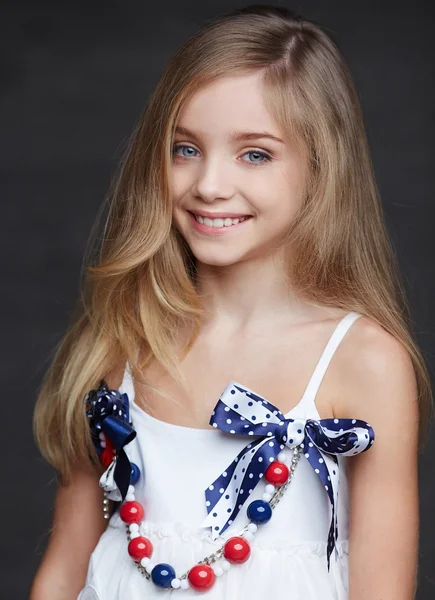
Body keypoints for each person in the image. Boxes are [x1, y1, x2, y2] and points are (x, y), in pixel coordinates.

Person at [30, 5, 430, 600]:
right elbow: (65, 568)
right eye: (184, 149)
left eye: (256, 154)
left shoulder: (365, 362)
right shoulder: (122, 339)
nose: (209, 184)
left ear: (321, 169)